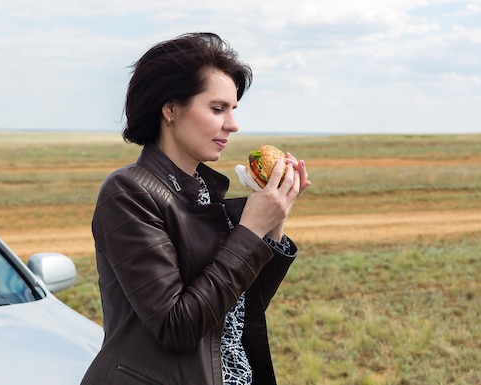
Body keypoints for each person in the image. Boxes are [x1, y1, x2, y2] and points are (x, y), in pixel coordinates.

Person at [80, 32, 311, 385]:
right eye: (217, 109)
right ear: (170, 108)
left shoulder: (205, 191)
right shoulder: (128, 192)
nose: (232, 124)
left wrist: (273, 221)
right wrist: (250, 230)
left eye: (233, 110)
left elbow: (237, 311)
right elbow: (177, 327)